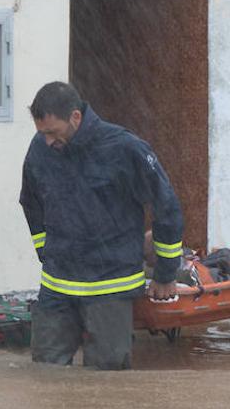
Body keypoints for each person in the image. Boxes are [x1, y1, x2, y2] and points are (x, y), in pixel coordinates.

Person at [19, 81, 184, 369]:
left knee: (107, 380)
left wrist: (166, 274)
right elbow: (31, 202)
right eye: (41, 133)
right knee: (44, 373)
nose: (47, 141)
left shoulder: (125, 148)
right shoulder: (40, 149)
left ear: (76, 118)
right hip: (58, 285)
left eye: (52, 132)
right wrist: (46, 251)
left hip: (111, 285)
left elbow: (166, 207)